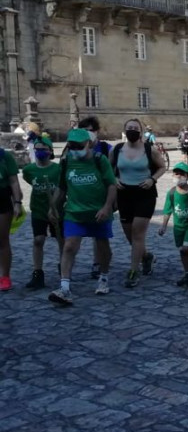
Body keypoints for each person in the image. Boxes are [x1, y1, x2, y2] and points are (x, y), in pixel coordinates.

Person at [48, 128, 117, 304]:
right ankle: (64, 288)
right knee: (69, 246)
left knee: (102, 246)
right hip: (74, 212)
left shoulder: (99, 160)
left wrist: (107, 207)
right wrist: (53, 207)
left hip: (98, 213)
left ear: (89, 144)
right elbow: (61, 187)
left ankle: (103, 276)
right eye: (71, 146)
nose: (75, 149)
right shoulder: (66, 161)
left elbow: (111, 185)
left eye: (79, 146)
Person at [111, 118, 166, 287]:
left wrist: (152, 179)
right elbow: (107, 169)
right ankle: (146, 257)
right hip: (124, 194)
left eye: (135, 128)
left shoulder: (150, 149)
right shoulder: (117, 149)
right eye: (129, 128)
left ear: (140, 132)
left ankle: (133, 271)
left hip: (145, 193)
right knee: (130, 236)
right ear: (124, 131)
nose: (132, 131)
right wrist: (114, 179)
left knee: (137, 234)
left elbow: (162, 167)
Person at [22, 137, 62, 290]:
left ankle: (63, 268)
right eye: (37, 149)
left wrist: (56, 207)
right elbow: (29, 180)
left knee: (60, 240)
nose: (40, 152)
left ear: (50, 151)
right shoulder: (29, 170)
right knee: (38, 240)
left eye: (43, 149)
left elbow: (61, 188)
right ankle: (38, 273)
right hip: (38, 210)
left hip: (56, 210)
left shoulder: (57, 169)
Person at [78, 116, 113, 280]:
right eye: (84, 131)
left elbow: (115, 170)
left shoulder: (107, 148)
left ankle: (100, 263)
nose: (88, 134)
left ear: (97, 131)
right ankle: (98, 262)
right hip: (84, 195)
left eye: (90, 130)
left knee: (101, 233)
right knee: (93, 234)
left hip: (104, 196)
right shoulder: (75, 148)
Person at [0, 143, 23, 290]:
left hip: (1, 201)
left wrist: (17, 202)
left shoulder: (5, 157)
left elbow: (14, 182)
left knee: (2, 240)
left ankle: (5, 277)